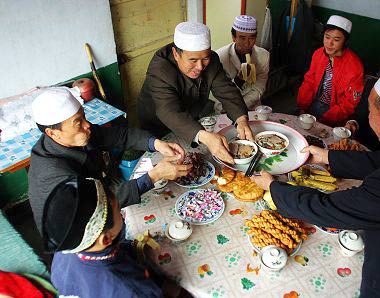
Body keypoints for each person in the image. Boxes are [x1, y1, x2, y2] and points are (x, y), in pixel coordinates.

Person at [253, 64, 380, 297]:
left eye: (371, 112)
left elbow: (327, 209)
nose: (368, 118)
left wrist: (273, 188)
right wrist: (328, 156)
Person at [28, 87, 192, 235]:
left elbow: (121, 136)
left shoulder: (78, 135)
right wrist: (153, 176)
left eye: (84, 117)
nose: (87, 125)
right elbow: (98, 205)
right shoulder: (52, 175)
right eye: (78, 123)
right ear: (52, 133)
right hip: (78, 231)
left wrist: (156, 144)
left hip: (100, 193)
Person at [137, 22, 253, 164]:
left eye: (205, 58)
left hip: (190, 120)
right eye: (193, 60)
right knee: (165, 165)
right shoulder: (160, 69)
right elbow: (168, 111)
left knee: (196, 159)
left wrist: (241, 120)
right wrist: (205, 136)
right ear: (176, 54)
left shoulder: (213, 60)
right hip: (159, 125)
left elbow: (227, 90)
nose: (200, 67)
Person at [46, 177, 164, 297]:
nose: (122, 214)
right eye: (119, 210)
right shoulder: (130, 289)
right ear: (106, 239)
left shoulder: (65, 250)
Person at [297, 15, 364, 126]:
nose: (329, 43)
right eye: (327, 37)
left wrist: (326, 119)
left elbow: (349, 103)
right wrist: (302, 107)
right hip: (314, 104)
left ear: (345, 41)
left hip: (335, 112)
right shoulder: (318, 53)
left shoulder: (355, 66)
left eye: (336, 40)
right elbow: (309, 81)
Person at [214, 15, 270, 112]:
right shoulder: (219, 57)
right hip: (226, 104)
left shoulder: (264, 55)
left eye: (251, 38)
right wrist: (239, 79)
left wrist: (241, 108)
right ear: (234, 37)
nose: (247, 43)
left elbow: (259, 88)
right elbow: (222, 90)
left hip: (252, 104)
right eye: (242, 38)